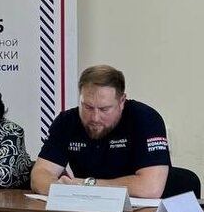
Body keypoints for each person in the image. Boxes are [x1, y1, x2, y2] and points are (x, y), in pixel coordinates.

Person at [30, 64, 170, 197]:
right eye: (88, 107)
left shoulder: (146, 118)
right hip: (85, 206)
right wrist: (59, 187)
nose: (95, 118)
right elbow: (39, 175)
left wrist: (85, 185)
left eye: (104, 109)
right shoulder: (67, 121)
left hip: (140, 210)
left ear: (122, 101)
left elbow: (151, 188)